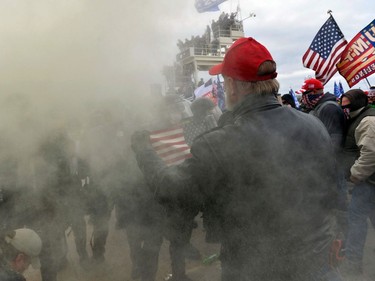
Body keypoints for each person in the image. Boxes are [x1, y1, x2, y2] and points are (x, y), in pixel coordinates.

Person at [131, 37, 340, 281]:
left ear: (232, 85)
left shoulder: (219, 143)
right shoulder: (313, 124)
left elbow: (172, 190)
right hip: (317, 263)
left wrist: (143, 150)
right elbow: (330, 190)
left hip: (256, 270)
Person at [339, 89, 375, 280]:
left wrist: (354, 175)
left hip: (368, 182)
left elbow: (370, 154)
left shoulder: (367, 121)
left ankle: (353, 263)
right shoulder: (359, 118)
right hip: (368, 181)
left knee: (356, 220)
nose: (343, 108)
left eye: (346, 105)